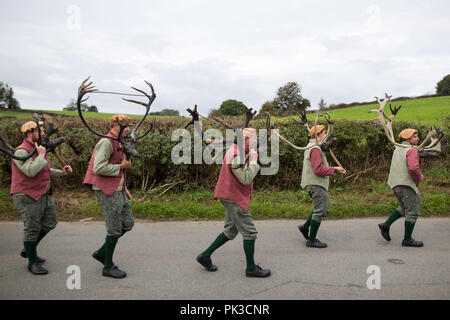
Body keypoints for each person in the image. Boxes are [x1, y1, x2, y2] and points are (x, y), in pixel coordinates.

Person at [196, 128, 271, 277]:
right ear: (246, 141)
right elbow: (245, 179)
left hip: (229, 195)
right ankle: (251, 268)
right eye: (254, 139)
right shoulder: (236, 155)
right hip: (234, 198)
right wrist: (255, 162)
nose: (256, 142)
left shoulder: (237, 150)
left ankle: (205, 256)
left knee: (230, 231)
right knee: (250, 232)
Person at [11, 120, 72, 275]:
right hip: (26, 195)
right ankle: (32, 262)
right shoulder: (21, 151)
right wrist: (42, 155)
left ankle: (28, 249)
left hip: (42, 194)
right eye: (41, 131)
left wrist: (61, 172)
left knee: (50, 222)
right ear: (30, 133)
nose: (44, 133)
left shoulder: (38, 149)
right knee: (32, 229)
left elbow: (44, 169)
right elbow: (30, 171)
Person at [83, 115, 133, 278]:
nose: (128, 129)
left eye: (128, 126)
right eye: (125, 126)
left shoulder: (118, 142)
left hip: (118, 189)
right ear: (116, 126)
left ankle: (101, 252)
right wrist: (121, 166)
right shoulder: (106, 142)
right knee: (114, 229)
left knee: (128, 223)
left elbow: (119, 169)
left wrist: (124, 188)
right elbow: (98, 168)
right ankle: (108, 266)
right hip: (106, 190)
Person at [298, 125, 346, 248]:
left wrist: (328, 144)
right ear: (318, 135)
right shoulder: (315, 149)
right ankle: (312, 240)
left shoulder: (312, 145)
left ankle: (305, 227)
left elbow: (322, 147)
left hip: (313, 183)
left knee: (318, 208)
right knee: (322, 210)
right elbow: (318, 169)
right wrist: (334, 169)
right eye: (324, 133)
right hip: (316, 184)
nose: (325, 135)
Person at [378, 129, 424, 247]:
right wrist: (419, 178)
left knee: (403, 207)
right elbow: (413, 168)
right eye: (414, 137)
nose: (417, 138)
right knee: (413, 210)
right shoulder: (412, 150)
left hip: (395, 184)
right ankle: (407, 240)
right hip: (406, 185)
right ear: (408, 139)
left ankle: (386, 225)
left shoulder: (398, 149)